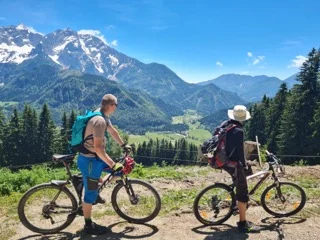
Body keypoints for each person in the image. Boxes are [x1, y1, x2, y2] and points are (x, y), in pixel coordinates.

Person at [77, 94, 131, 235]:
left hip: (96, 159)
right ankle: (88, 225)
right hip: (90, 161)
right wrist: (113, 164)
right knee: (89, 195)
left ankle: (94, 187)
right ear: (111, 105)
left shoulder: (102, 115)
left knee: (120, 172)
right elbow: (99, 148)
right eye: (116, 105)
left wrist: (123, 144)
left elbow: (112, 131)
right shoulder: (99, 121)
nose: (116, 108)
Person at [223, 105, 261, 233]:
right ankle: (243, 223)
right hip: (233, 163)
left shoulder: (227, 125)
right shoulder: (238, 130)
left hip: (225, 160)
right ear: (243, 118)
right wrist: (244, 163)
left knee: (245, 174)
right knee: (242, 191)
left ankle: (237, 204)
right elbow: (240, 151)